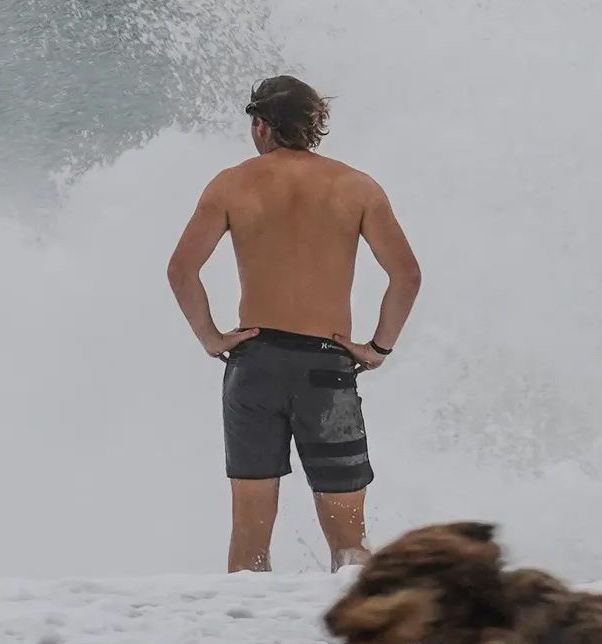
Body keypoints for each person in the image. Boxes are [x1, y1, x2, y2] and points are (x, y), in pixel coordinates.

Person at [166, 75, 422, 574]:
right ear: (313, 124)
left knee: (249, 547)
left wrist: (211, 338)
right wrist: (378, 348)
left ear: (261, 125)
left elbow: (181, 270)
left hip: (254, 368)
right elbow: (406, 276)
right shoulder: (357, 186)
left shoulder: (231, 183)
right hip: (326, 371)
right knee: (350, 548)